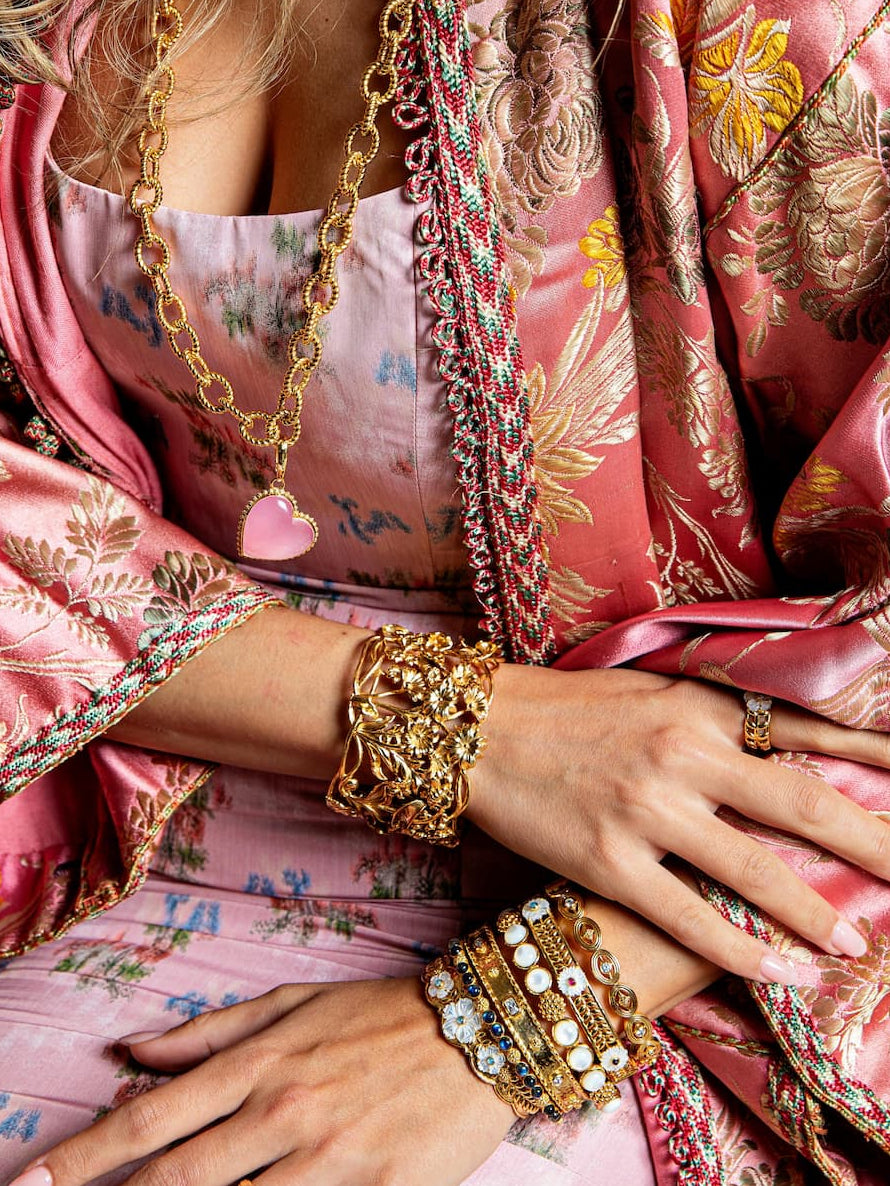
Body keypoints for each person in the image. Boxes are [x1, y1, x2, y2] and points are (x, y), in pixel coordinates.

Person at [1, 0, 890, 1181]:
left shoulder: (751, 26)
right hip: (71, 835)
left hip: (645, 937)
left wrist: (512, 1022)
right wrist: (467, 729)